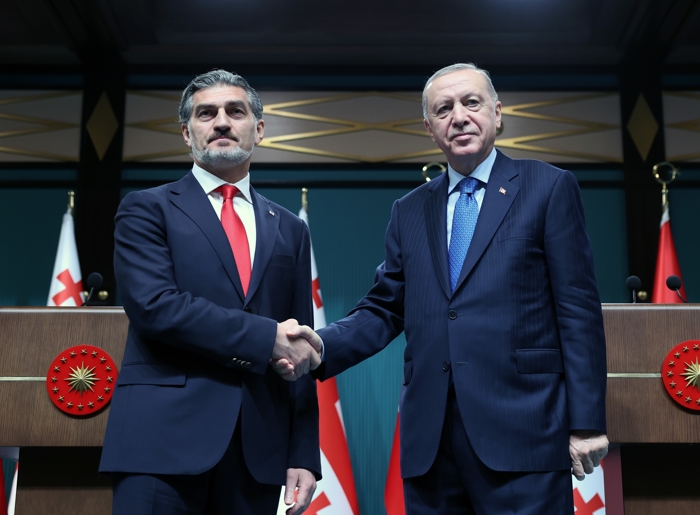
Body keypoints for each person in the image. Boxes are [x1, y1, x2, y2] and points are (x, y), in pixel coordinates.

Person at [280, 63, 609, 514]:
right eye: (443, 109)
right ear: (430, 128)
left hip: (525, 433)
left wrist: (587, 422)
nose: (459, 117)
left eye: (471, 103)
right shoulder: (410, 209)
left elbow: (578, 309)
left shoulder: (548, 187)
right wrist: (320, 346)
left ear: (497, 112)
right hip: (431, 445)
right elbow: (384, 307)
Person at [99, 69, 321, 515]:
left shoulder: (290, 229)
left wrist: (302, 453)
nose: (221, 122)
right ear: (187, 133)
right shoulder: (146, 208)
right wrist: (265, 338)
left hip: (258, 451)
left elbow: (298, 348)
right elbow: (155, 307)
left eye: (235, 111)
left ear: (258, 129)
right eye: (206, 113)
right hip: (160, 445)